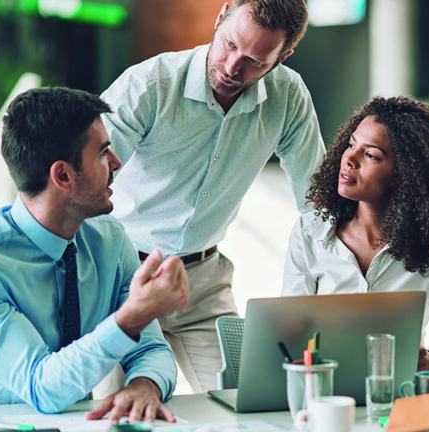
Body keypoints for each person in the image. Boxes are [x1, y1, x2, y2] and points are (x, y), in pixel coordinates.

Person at [99, 0, 325, 392]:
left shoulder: (288, 97)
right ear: (221, 17)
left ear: (283, 57)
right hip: (121, 279)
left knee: (246, 401)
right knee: (115, 410)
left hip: (203, 286)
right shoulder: (149, 85)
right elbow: (82, 182)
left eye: (255, 61)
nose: (233, 67)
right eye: (230, 44)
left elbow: (318, 204)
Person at [0, 87, 189, 423]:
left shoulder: (110, 241)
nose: (117, 163)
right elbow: (41, 387)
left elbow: (151, 348)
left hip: (74, 425)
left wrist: (144, 385)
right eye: (103, 153)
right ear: (63, 175)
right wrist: (130, 318)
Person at [282, 96, 429, 372]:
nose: (349, 159)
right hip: (323, 389)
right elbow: (289, 339)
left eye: (371, 155)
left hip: (399, 391)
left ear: (407, 174)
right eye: (351, 145)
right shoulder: (309, 232)